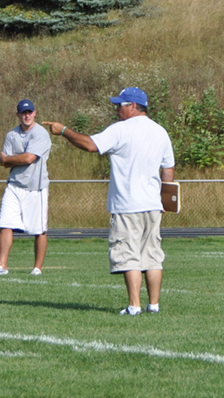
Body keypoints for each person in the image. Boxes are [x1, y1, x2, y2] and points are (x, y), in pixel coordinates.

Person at [41, 87, 175, 316]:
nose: (116, 109)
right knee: (153, 255)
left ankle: (134, 306)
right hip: (153, 205)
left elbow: (90, 145)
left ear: (133, 106)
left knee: (128, 254)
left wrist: (63, 130)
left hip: (127, 205)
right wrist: (165, 198)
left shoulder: (121, 129)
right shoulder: (160, 131)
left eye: (120, 105)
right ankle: (154, 305)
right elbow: (168, 167)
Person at [0, 99, 52, 276]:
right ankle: (2, 266)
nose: (27, 115)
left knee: (39, 229)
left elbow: (28, 158)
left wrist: (10, 159)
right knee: (5, 224)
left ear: (35, 113)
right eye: (23, 113)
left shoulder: (40, 134)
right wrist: (10, 160)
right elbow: (3, 162)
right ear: (18, 115)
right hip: (14, 185)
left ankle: (37, 268)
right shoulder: (11, 135)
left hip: (35, 187)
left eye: (29, 112)